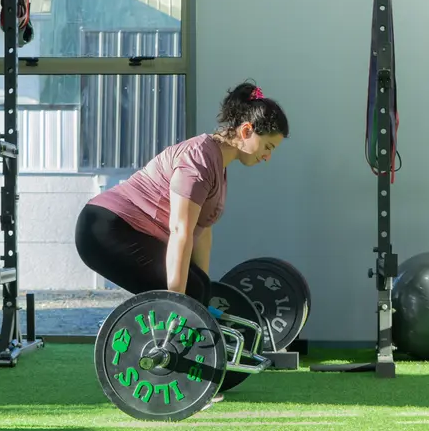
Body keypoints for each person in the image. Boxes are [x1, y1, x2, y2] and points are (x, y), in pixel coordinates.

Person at [75, 81, 288, 305]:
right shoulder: (198, 161)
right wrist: (180, 303)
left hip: (128, 230)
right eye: (268, 147)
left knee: (200, 288)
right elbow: (180, 230)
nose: (267, 157)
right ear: (246, 131)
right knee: (189, 293)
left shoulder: (218, 164)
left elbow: (202, 232)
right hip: (106, 229)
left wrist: (203, 295)